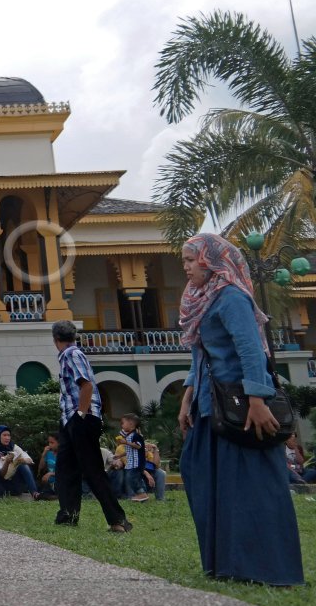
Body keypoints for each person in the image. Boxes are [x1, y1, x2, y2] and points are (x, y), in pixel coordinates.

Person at [177, 233, 303, 586]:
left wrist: (259, 401)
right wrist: (187, 398)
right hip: (210, 403)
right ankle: (227, 562)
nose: (186, 267)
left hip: (241, 407)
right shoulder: (201, 299)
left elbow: (251, 351)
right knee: (204, 478)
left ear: (210, 261)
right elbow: (200, 354)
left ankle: (263, 567)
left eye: (190, 260)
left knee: (251, 486)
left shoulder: (231, 297)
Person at [52, 320, 131, 533]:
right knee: (65, 469)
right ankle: (68, 514)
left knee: (92, 469)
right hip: (71, 419)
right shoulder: (69, 355)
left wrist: (80, 414)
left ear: (55, 340)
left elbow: (85, 384)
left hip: (80, 418)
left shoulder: (71, 354)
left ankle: (118, 520)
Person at [0, 425, 42, 499]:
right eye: (4, 435)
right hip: (2, 485)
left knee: (23, 465)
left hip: (15, 485)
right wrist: (7, 462)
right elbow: (2, 474)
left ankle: (35, 493)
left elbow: (29, 460)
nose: (7, 438)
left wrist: (23, 460)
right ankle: (0, 495)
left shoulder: (14, 447)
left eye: (9, 435)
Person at [117, 414, 150, 502]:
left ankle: (142, 494)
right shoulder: (129, 436)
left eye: (123, 423)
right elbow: (130, 451)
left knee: (132, 478)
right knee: (134, 478)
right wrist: (119, 456)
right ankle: (142, 495)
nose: (122, 425)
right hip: (132, 463)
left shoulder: (136, 435)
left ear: (131, 424)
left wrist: (126, 442)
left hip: (137, 463)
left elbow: (138, 446)